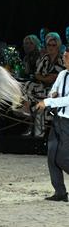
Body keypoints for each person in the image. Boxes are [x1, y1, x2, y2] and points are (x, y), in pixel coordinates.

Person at [36, 47, 69, 202]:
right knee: (51, 156)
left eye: (67, 57)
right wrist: (51, 95)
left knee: (62, 158)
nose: (65, 59)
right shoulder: (62, 74)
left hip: (68, 122)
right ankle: (60, 192)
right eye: (64, 56)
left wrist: (48, 101)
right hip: (57, 119)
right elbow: (54, 91)